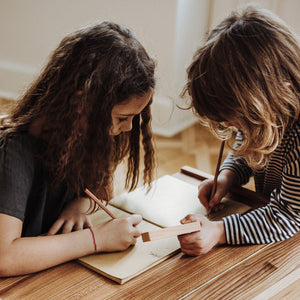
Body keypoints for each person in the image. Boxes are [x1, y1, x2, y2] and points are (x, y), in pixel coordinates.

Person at [0, 21, 156, 276]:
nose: (128, 128)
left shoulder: (87, 134)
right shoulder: (13, 151)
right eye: (121, 118)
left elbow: (101, 190)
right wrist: (97, 240)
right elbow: (4, 257)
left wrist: (82, 204)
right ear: (82, 103)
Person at [179, 4, 300, 256]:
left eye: (235, 120)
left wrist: (218, 232)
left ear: (279, 91)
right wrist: (228, 176)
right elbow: (249, 144)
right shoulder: (266, 112)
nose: (232, 129)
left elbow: (288, 215)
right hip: (270, 211)